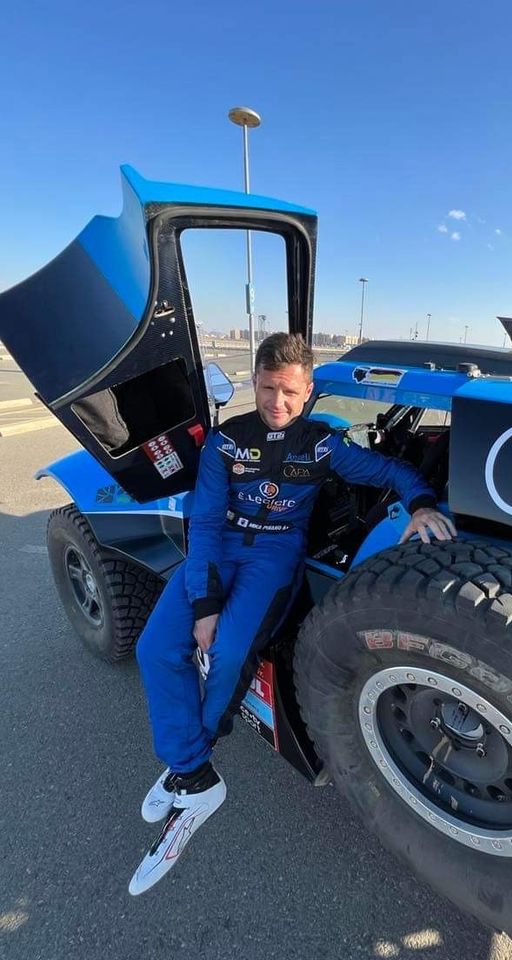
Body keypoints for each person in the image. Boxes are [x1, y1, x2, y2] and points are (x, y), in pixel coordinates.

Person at [129, 333, 456, 894]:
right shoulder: (226, 443)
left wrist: (423, 503)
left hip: (275, 557)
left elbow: (393, 475)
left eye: (289, 392)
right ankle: (194, 774)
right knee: (156, 648)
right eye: (266, 389)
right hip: (221, 546)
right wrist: (203, 604)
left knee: (228, 650)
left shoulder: (325, 444)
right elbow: (203, 523)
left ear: (307, 391)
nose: (277, 402)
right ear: (254, 384)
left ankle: (191, 761)